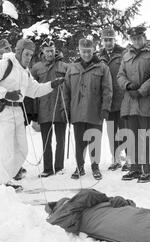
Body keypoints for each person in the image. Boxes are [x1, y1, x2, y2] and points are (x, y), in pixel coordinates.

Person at [0, 38, 64, 191]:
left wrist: (52, 85)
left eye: (31, 55)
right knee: (4, 148)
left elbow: (34, 90)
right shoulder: (5, 64)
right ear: (18, 52)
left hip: (17, 110)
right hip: (1, 109)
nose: (29, 58)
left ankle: (7, 178)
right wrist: (6, 93)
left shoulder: (25, 71)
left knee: (21, 149)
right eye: (26, 54)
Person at [117, 26, 150, 183]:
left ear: (144, 37)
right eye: (133, 38)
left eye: (139, 38)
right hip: (130, 102)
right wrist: (128, 85)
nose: (136, 41)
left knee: (148, 136)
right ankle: (135, 168)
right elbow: (120, 75)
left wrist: (142, 90)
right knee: (132, 136)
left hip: (146, 101)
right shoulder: (126, 54)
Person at [63, 38, 113, 181]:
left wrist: (105, 108)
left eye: (89, 51)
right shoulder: (72, 68)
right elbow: (66, 90)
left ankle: (95, 166)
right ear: (79, 51)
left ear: (93, 50)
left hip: (95, 111)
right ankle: (80, 167)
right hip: (77, 111)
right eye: (83, 51)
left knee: (94, 140)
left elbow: (107, 90)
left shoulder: (102, 67)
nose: (86, 54)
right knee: (79, 141)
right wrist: (65, 109)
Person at [31, 38, 68, 178]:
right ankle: (47, 168)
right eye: (47, 51)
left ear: (55, 50)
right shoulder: (36, 68)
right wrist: (34, 112)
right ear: (42, 52)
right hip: (43, 109)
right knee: (46, 141)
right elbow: (32, 90)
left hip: (59, 107)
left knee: (61, 140)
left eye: (52, 51)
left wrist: (67, 108)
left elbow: (69, 87)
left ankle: (59, 167)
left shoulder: (64, 66)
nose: (50, 54)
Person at [97, 28, 126, 172]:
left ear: (115, 40)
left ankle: (130, 159)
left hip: (122, 98)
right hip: (107, 100)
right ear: (102, 41)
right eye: (105, 40)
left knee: (125, 130)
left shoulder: (123, 53)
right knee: (112, 132)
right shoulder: (99, 56)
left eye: (110, 39)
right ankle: (116, 159)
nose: (108, 42)